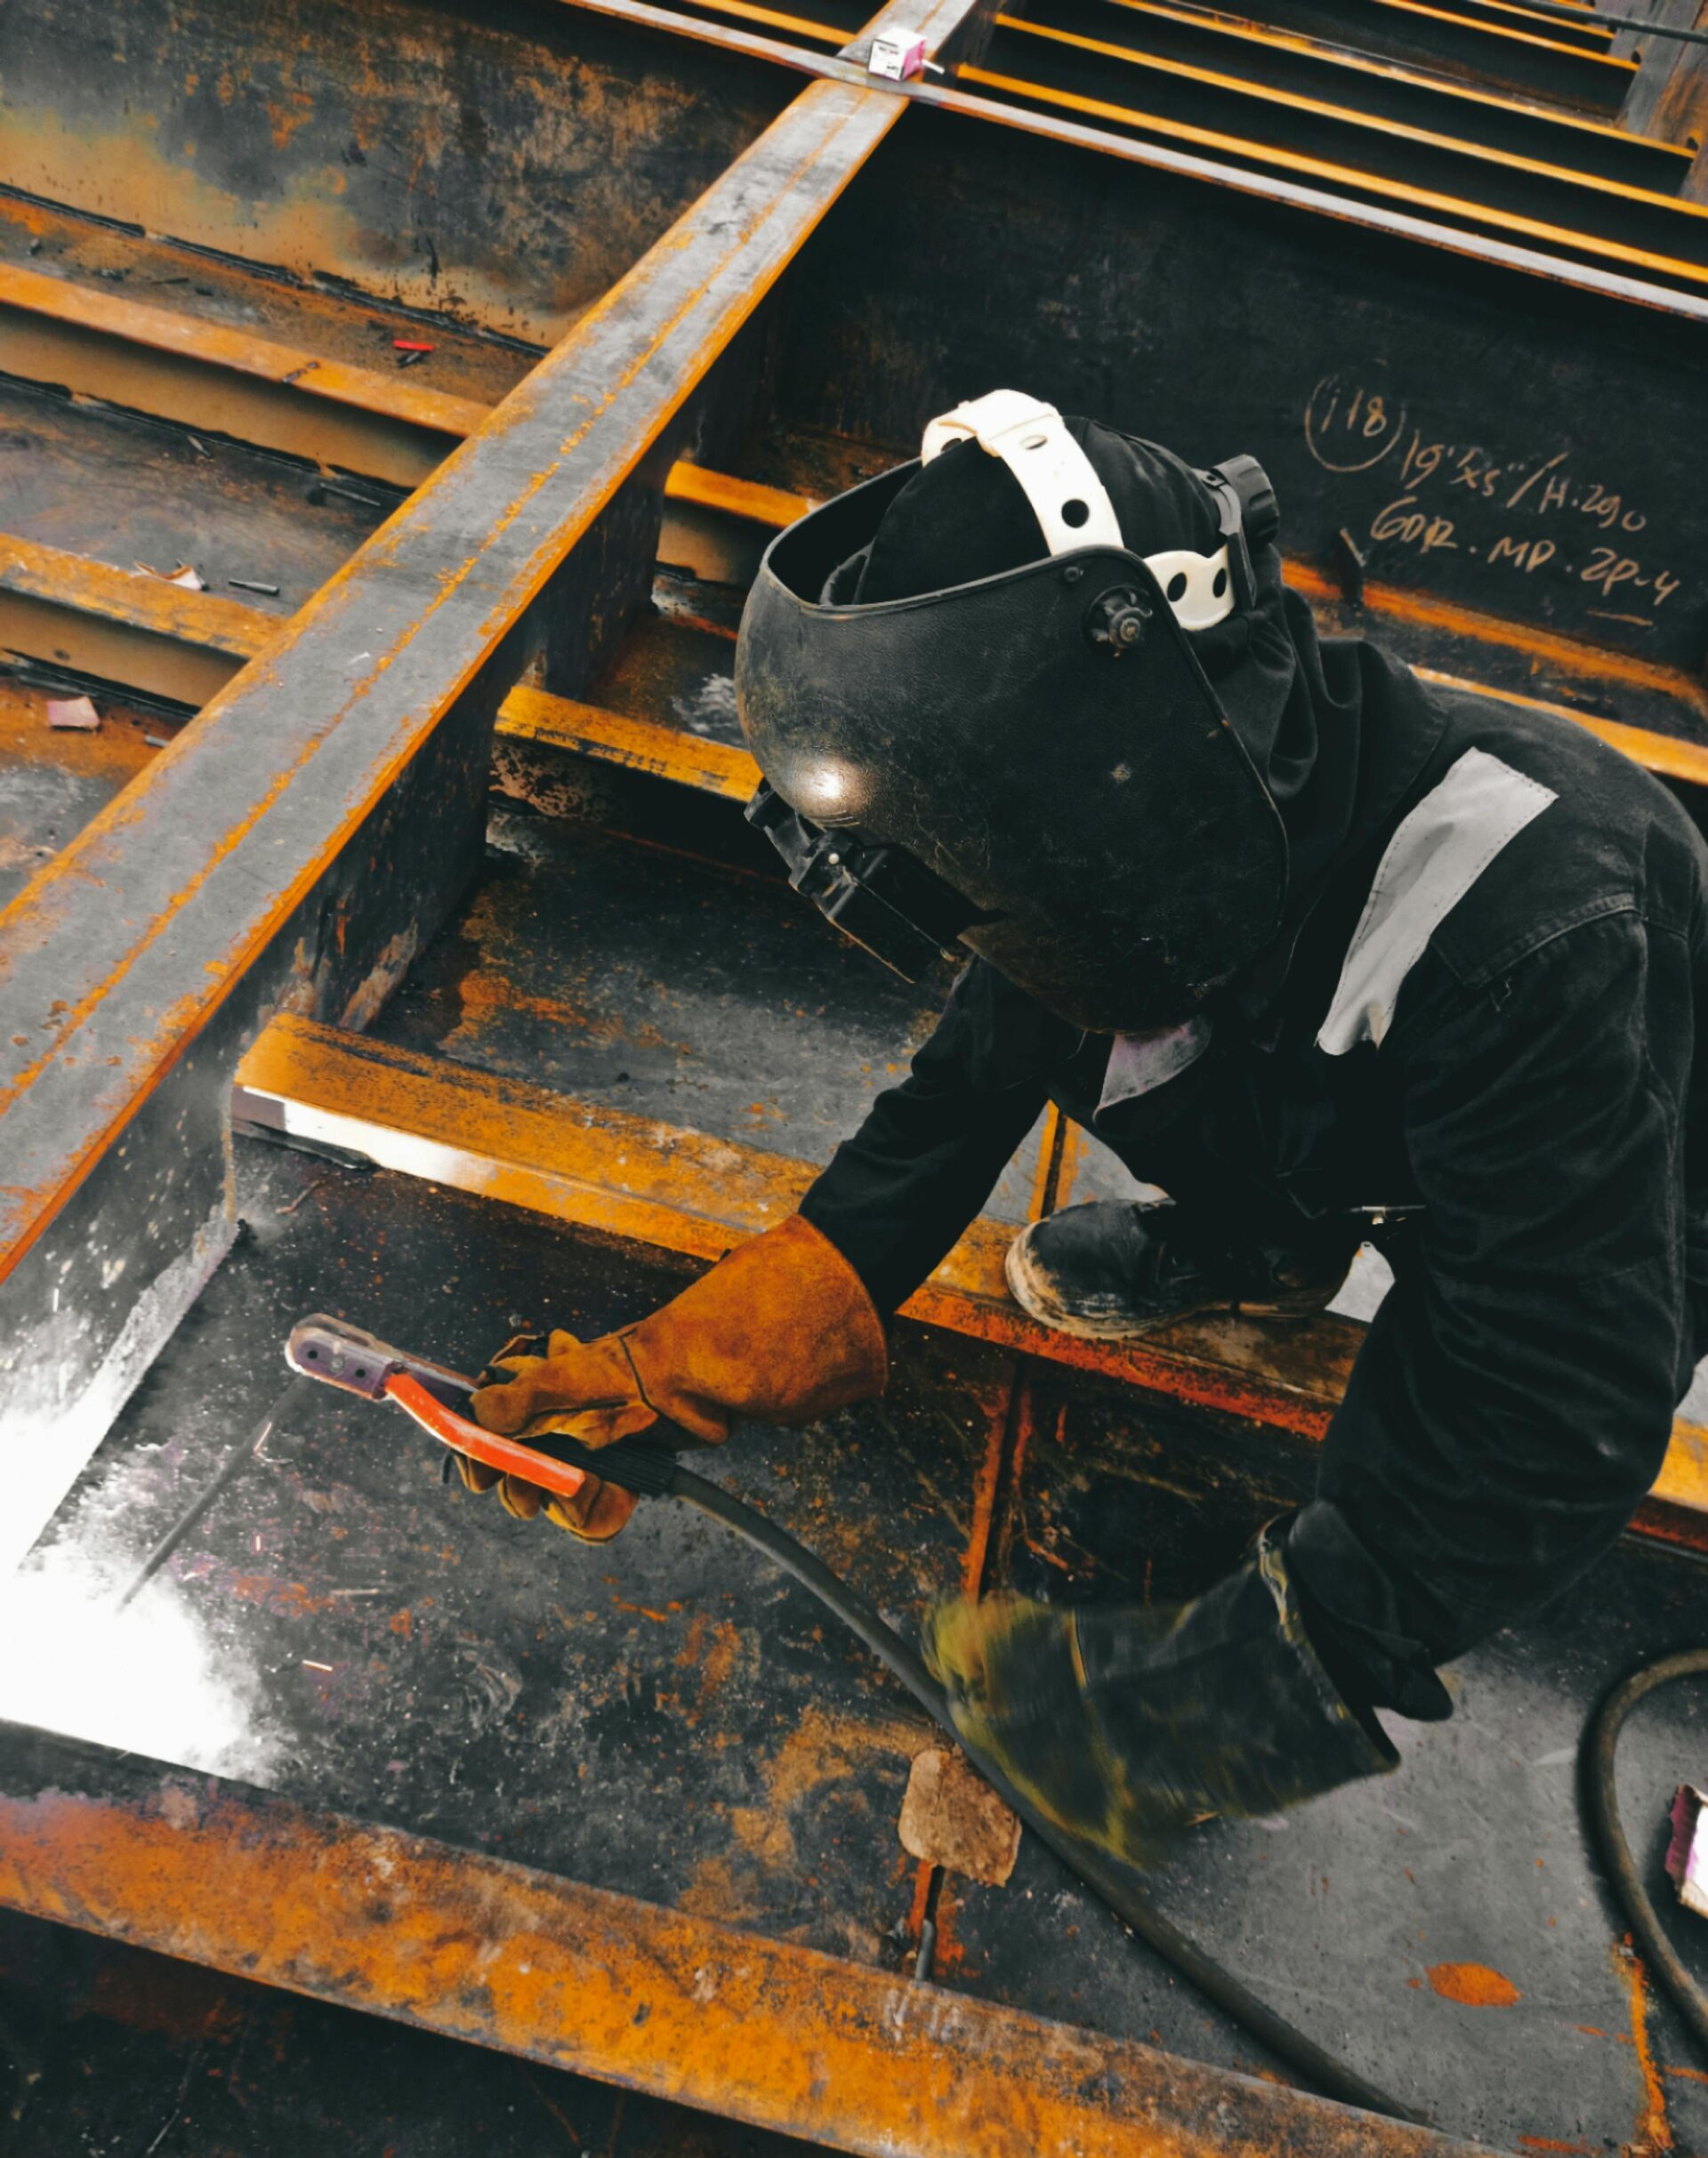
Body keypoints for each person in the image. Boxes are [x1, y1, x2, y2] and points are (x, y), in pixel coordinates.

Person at [461, 391, 1708, 1870]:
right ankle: (1263, 1245)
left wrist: (1201, 1710)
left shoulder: (1532, 923)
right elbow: (955, 1101)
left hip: (1618, 1143)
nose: (1011, 924)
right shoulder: (1126, 834)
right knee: (1116, 1036)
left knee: (1482, 1317)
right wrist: (673, 1370)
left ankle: (1304, 1230)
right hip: (1363, 1078)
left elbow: (1544, 1400)